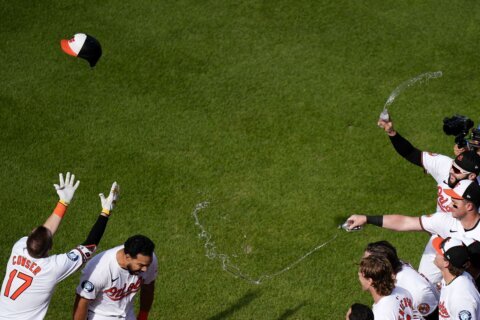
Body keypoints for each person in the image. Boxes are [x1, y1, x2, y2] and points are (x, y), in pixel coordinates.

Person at [0, 173, 119, 320]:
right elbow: (89, 246)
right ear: (50, 247)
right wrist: (105, 212)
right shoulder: (52, 268)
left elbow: (43, 234)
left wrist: (63, 203)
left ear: (29, 237)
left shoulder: (19, 248)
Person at [378, 116, 480, 284]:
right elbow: (411, 153)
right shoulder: (447, 166)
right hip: (439, 232)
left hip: (467, 246)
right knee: (425, 285)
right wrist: (391, 132)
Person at [347, 179, 480, 279]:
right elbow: (405, 222)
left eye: (455, 203)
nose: (449, 205)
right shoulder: (444, 220)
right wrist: (366, 218)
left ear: (469, 206)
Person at [73, 234, 158, 320]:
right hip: (100, 316)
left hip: (128, 314)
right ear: (127, 257)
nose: (145, 269)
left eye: (147, 265)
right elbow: (82, 302)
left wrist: (143, 316)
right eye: (141, 265)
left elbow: (148, 287)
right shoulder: (99, 270)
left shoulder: (147, 260)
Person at [364, 241, 439, 319]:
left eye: (367, 262)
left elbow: (434, 316)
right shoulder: (393, 267)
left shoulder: (416, 290)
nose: (363, 266)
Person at [432, 236, 480, 319]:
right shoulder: (453, 277)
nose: (435, 253)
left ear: (446, 263)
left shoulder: (461, 297)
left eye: (439, 252)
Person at [358, 255, 415, 319]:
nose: (359, 279)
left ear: (369, 281)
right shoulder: (402, 291)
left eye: (360, 276)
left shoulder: (380, 314)